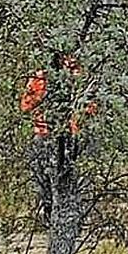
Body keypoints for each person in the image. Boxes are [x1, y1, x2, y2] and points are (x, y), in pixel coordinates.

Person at [20, 54, 95, 226]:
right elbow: (25, 105)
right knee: (42, 177)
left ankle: (75, 216)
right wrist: (46, 95)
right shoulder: (41, 77)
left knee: (74, 176)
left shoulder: (78, 74)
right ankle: (49, 214)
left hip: (71, 135)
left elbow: (91, 107)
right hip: (44, 134)